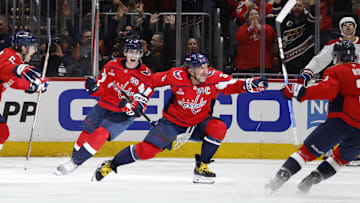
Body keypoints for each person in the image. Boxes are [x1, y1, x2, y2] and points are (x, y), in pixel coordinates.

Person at [92, 53, 269, 184]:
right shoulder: (176, 76)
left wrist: (252, 84)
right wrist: (140, 99)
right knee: (147, 151)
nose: (205, 71)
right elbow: (151, 82)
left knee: (218, 127)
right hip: (172, 123)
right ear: (190, 69)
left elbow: (232, 85)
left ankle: (202, 167)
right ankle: (111, 164)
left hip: (199, 122)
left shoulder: (213, 77)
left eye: (206, 66)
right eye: (200, 68)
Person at [265, 40, 360, 194]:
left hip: (341, 121)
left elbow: (327, 91)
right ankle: (308, 182)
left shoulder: (336, 71)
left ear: (335, 56)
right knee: (339, 160)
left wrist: (298, 92)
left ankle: (276, 182)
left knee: (305, 153)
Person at [55, 38, 154, 175]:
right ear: (125, 52)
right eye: (131, 52)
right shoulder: (112, 65)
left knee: (101, 133)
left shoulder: (146, 74)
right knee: (87, 131)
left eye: (137, 52)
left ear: (141, 54)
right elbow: (101, 89)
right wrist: (92, 88)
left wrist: (132, 108)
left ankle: (74, 163)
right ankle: (73, 161)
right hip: (104, 105)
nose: (133, 56)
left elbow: (141, 102)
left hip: (122, 114)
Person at [0, 31, 49, 151]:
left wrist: (33, 86)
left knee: (2, 131)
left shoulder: (14, 59)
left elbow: (14, 82)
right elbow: (2, 69)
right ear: (23, 47)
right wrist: (20, 69)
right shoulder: (10, 56)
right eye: (32, 47)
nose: (34, 51)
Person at [299, 16, 360, 86]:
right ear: (341, 28)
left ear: (355, 27)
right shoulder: (334, 44)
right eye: (345, 25)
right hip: (340, 80)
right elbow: (320, 60)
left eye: (350, 24)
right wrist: (309, 70)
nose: (348, 27)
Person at [272, 0, 316, 74]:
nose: (297, 7)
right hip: (287, 61)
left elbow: (314, 16)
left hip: (305, 60)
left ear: (304, 8)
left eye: (300, 6)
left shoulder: (307, 20)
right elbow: (276, 13)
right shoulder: (284, 20)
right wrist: (277, 3)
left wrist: (312, 4)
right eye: (295, 6)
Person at [234, 7, 276, 73]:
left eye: (256, 14)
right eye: (251, 14)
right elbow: (240, 38)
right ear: (247, 18)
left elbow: (271, 37)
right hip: (245, 67)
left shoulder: (267, 27)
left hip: (264, 66)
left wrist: (258, 27)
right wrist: (251, 28)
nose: (254, 16)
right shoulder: (243, 28)